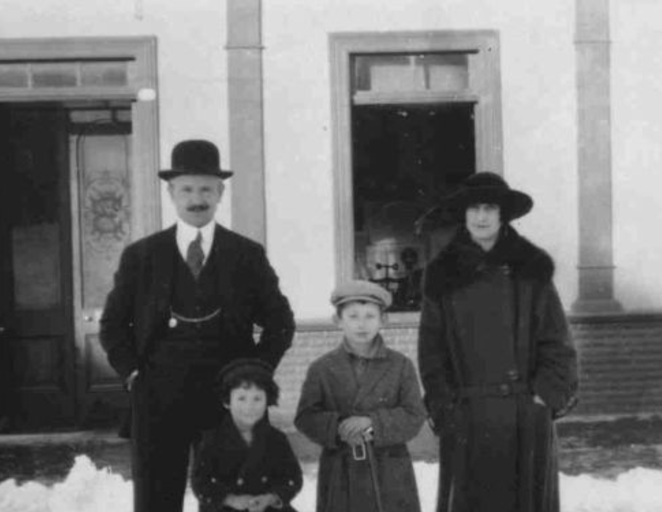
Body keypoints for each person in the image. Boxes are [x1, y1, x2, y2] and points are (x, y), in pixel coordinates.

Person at [99, 139, 296, 512]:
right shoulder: (142, 256)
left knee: (231, 498)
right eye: (186, 189)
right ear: (171, 193)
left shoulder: (246, 254)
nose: (196, 198)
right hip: (158, 397)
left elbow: (280, 323)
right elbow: (112, 326)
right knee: (156, 498)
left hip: (228, 403)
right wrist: (134, 375)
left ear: (220, 192)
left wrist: (254, 376)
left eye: (206, 188)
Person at [417, 172, 579, 512]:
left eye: (489, 207)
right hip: (467, 416)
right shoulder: (443, 273)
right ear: (463, 214)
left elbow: (557, 341)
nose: (481, 217)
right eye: (474, 208)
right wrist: (445, 406)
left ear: (503, 213)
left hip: (523, 414)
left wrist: (544, 395)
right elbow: (432, 350)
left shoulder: (530, 268)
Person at [295, 280, 426, 512]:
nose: (361, 324)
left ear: (383, 320)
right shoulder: (322, 368)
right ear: (338, 321)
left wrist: (372, 423)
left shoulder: (400, 365)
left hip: (390, 470)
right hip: (340, 470)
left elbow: (414, 415)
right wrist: (338, 427)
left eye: (370, 316)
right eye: (353, 316)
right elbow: (306, 417)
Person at [192, 358, 303, 512]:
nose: (249, 406)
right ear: (227, 401)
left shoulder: (276, 439)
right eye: (241, 398)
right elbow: (201, 483)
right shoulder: (212, 440)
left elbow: (292, 478)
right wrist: (230, 499)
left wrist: (271, 498)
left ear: (267, 401)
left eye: (257, 399)